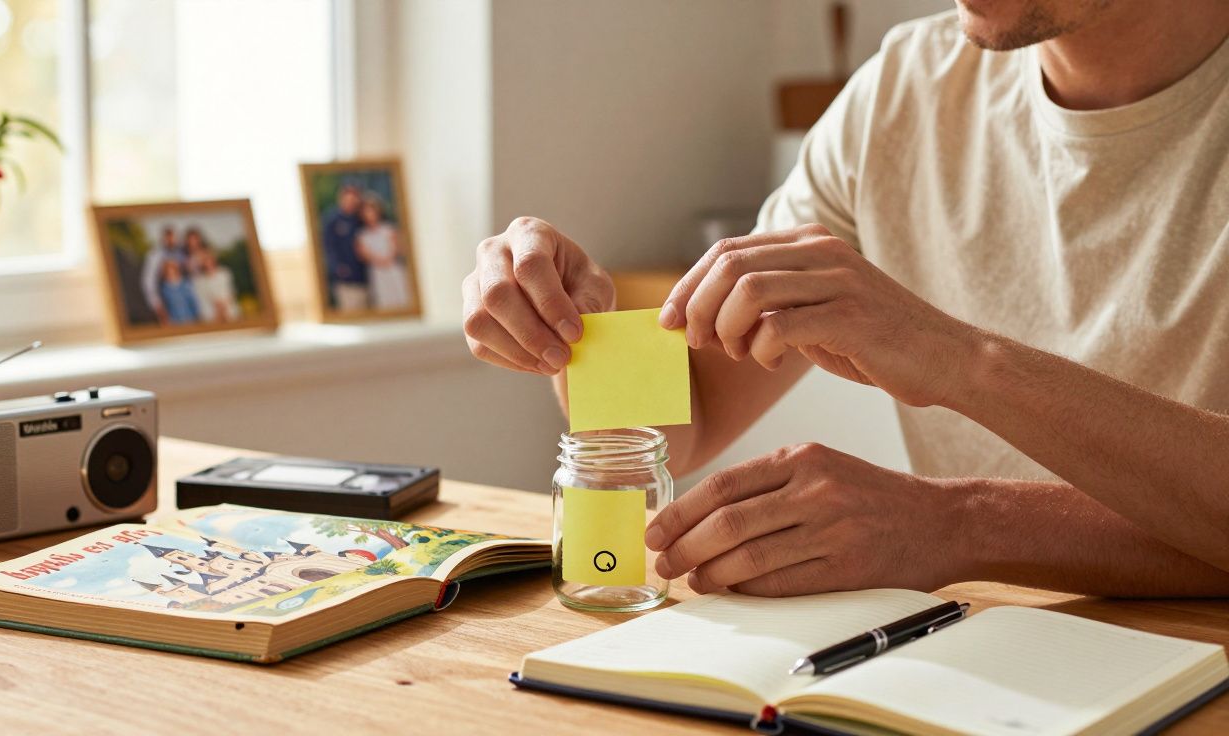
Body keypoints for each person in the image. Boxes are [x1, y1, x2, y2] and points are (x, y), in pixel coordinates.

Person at [461, 0, 1229, 598]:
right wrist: (576, 331)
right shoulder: (905, 94)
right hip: (983, 656)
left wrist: (960, 509)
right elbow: (684, 414)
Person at [357, 195, 411, 310]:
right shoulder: (362, 235)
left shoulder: (388, 229)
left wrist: (389, 259)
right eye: (366, 212)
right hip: (377, 273)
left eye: (371, 211)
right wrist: (379, 261)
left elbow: (397, 248)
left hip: (393, 269)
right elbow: (364, 254)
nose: (369, 215)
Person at [322, 183, 370, 311]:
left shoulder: (359, 219)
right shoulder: (332, 220)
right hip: (345, 280)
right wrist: (338, 268)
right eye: (348, 198)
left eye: (355, 198)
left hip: (364, 277)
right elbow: (329, 248)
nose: (351, 201)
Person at [185, 227, 241, 323]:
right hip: (209, 305)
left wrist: (224, 305)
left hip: (227, 306)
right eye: (204, 260)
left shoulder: (224, 273)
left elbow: (230, 291)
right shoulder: (199, 279)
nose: (206, 261)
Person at [140, 226, 185, 325]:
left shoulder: (180, 254)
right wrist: (157, 305)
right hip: (163, 300)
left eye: (174, 238)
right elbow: (148, 281)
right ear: (163, 239)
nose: (171, 241)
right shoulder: (154, 255)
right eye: (168, 238)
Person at [158, 255, 199, 324]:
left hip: (189, 319)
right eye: (168, 271)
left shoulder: (185, 284)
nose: (170, 273)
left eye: (172, 270)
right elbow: (165, 306)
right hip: (174, 322)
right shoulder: (164, 288)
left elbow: (193, 302)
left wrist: (196, 317)